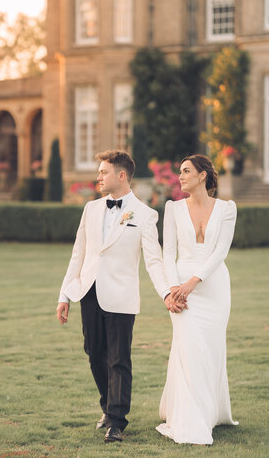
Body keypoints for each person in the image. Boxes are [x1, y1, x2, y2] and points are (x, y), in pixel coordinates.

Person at [56, 150, 179, 443]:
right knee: (94, 354)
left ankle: (116, 420)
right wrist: (65, 294)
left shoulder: (146, 215)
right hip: (88, 293)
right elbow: (78, 254)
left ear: (121, 175)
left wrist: (165, 293)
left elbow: (153, 260)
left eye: (103, 172)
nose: (98, 177)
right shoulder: (91, 210)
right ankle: (107, 407)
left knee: (118, 359)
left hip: (121, 297)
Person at [156, 154, 239, 445]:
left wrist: (195, 280)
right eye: (180, 172)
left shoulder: (227, 209)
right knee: (189, 348)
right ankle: (190, 419)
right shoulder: (173, 208)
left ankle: (210, 412)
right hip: (181, 288)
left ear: (203, 175)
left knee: (210, 350)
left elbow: (220, 252)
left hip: (214, 288)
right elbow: (167, 253)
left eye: (186, 171)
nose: (180, 176)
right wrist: (172, 288)